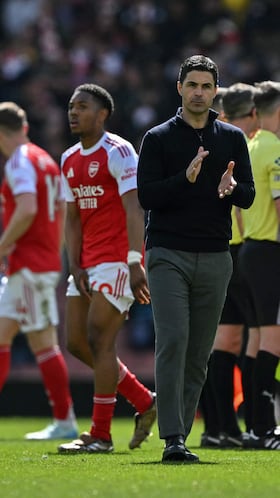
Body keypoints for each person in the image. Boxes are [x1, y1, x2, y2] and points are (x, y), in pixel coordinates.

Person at [137, 55, 255, 463]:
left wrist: (232, 187)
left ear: (215, 91)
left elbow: (249, 196)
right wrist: (182, 180)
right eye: (193, 85)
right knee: (173, 342)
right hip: (168, 252)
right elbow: (147, 197)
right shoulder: (157, 138)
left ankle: (180, 435)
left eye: (207, 86)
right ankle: (173, 436)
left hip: (216, 255)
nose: (199, 92)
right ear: (180, 89)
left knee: (199, 352)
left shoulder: (233, 138)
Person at [57, 83, 156, 455]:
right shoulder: (68, 158)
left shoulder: (119, 151)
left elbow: (134, 208)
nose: (73, 112)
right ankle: (144, 400)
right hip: (88, 262)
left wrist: (134, 260)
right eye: (71, 106)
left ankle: (100, 435)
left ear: (102, 114)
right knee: (76, 343)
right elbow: (71, 216)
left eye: (81, 107)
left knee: (100, 339)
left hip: (117, 258)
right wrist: (74, 263)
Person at [0, 101, 78, 440]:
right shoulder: (46, 159)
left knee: (44, 343)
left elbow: (28, 208)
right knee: (2, 338)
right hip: (36, 263)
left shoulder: (18, 162)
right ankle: (64, 419)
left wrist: (2, 245)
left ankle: (65, 421)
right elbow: (61, 210)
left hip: (31, 266)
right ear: (25, 127)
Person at [200, 82, 259, 448]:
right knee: (254, 338)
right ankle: (253, 425)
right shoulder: (242, 147)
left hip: (223, 252)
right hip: (239, 251)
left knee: (225, 340)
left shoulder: (211, 145)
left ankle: (220, 428)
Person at [239, 81, 280, 449]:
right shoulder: (276, 151)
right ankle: (265, 429)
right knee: (272, 339)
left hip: (248, 250)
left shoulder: (249, 146)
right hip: (270, 252)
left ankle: (254, 425)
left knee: (254, 340)